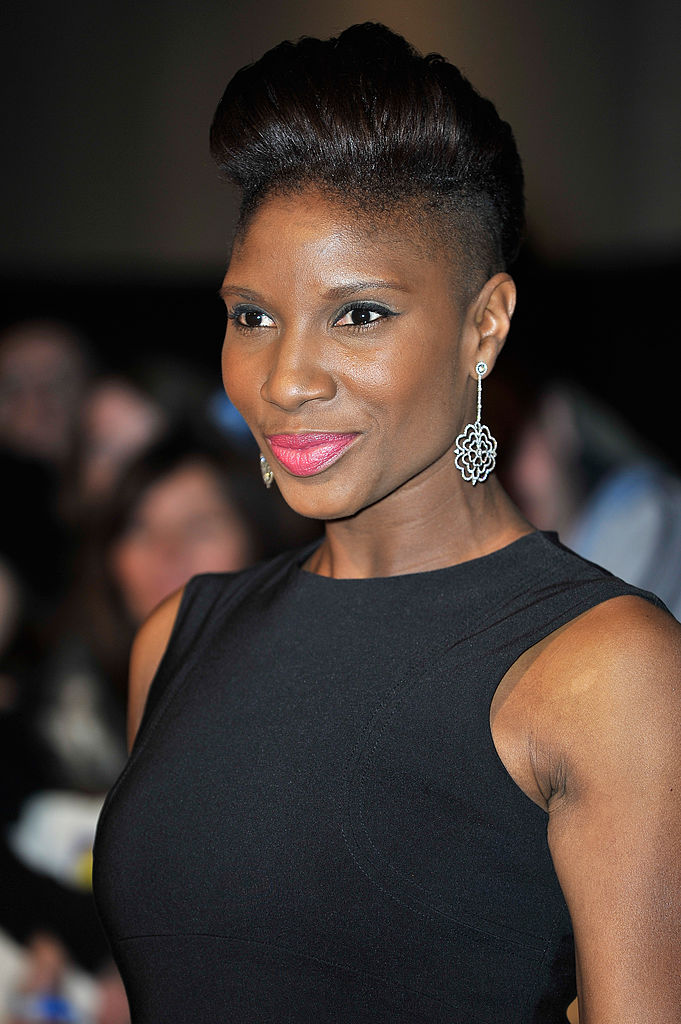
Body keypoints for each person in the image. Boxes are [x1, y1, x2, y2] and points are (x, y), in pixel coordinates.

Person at [93, 24, 681, 1023]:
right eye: (252, 315)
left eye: (359, 314)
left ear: (483, 327)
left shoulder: (602, 668)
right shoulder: (175, 638)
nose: (284, 380)